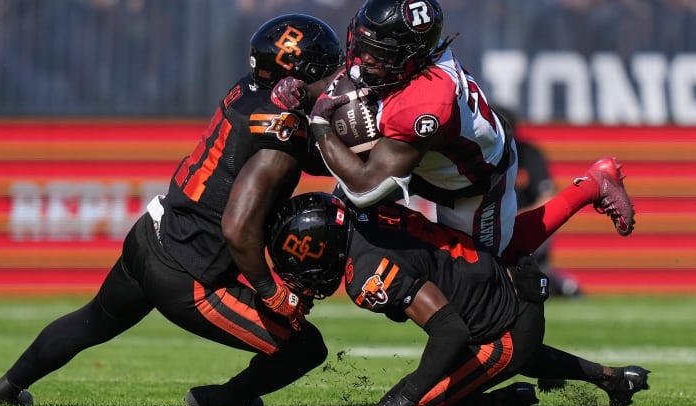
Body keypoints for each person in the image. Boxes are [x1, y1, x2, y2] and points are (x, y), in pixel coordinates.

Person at [0, 14, 345, 406]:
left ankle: (0, 390)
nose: (335, 80)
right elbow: (237, 227)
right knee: (306, 348)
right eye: (327, 71)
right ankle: (221, 399)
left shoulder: (251, 91)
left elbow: (305, 152)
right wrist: (271, 292)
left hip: (152, 234)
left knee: (92, 321)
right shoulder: (278, 141)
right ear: (298, 78)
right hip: (189, 276)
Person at [270, 0, 635, 261]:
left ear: (410, 57)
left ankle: (592, 185)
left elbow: (367, 189)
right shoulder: (400, 60)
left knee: (493, 262)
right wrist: (303, 92)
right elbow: (354, 79)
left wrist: (318, 121)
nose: (363, 58)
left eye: (377, 51)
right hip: (426, 156)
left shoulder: (426, 102)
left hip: (472, 177)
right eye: (363, 43)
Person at [267, 191, 650, 406]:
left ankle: (497, 402)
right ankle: (614, 379)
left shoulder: (365, 273)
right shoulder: (364, 210)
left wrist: (404, 396)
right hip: (505, 276)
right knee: (488, 348)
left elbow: (451, 332)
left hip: (506, 324)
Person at [495, 106, 583, 298]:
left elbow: (548, 195)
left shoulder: (529, 154)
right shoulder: (479, 155)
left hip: (522, 225)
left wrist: (518, 217)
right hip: (490, 226)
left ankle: (556, 283)